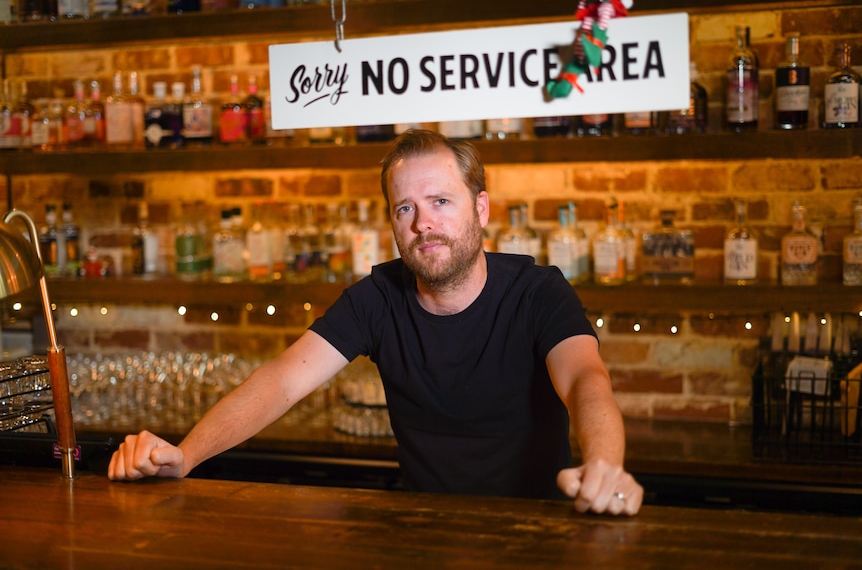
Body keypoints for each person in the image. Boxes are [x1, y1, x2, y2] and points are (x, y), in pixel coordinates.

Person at [108, 129, 643, 516]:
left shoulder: (537, 291)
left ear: (481, 209)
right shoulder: (377, 298)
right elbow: (283, 379)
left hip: (537, 527)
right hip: (419, 533)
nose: (423, 223)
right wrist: (187, 455)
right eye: (403, 208)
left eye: (439, 201)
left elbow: (585, 380)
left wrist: (606, 465)